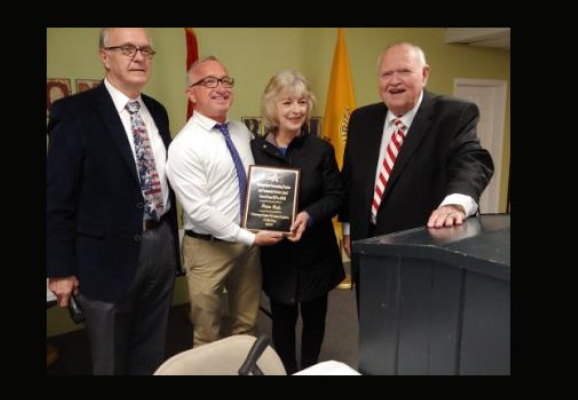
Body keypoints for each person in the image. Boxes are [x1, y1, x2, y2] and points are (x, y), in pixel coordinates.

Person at [47, 28, 181, 375]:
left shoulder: (157, 111)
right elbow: (58, 198)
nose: (139, 56)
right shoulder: (74, 113)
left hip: (160, 245)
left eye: (146, 51)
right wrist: (60, 269)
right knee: (108, 361)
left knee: (152, 350)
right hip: (103, 258)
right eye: (127, 48)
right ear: (104, 57)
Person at [340, 41, 495, 309]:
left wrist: (457, 202)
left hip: (420, 253)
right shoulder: (361, 119)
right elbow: (352, 177)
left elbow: (472, 160)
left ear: (424, 74)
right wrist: (348, 227)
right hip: (367, 247)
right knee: (371, 326)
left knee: (415, 333)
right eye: (387, 74)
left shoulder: (454, 114)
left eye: (404, 71)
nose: (394, 81)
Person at [166, 56, 284, 348]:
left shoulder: (240, 131)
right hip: (208, 249)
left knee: (246, 323)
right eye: (209, 82)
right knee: (207, 331)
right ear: (191, 94)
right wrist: (250, 237)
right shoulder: (184, 146)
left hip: (247, 247)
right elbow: (200, 211)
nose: (220, 87)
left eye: (225, 80)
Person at [250, 69, 345, 374]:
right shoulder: (254, 150)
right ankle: (288, 370)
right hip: (277, 254)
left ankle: (310, 370)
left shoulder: (321, 149)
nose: (296, 110)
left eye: (302, 102)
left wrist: (308, 214)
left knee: (316, 320)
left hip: (316, 252)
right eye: (287, 102)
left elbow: (336, 196)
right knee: (282, 319)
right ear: (271, 107)